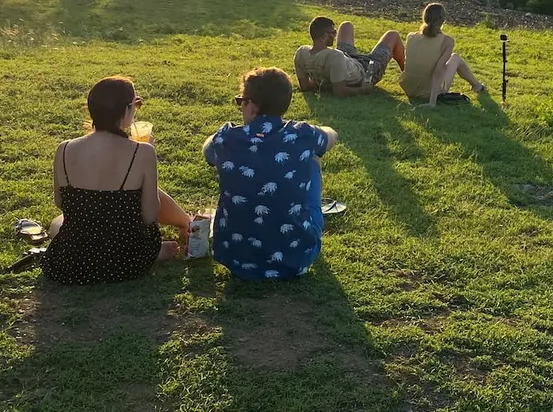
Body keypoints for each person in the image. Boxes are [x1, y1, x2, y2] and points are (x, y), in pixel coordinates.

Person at [41, 76, 193, 285]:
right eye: (136, 104)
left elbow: (60, 202)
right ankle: (172, 238)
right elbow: (149, 216)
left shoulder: (64, 148)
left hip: (70, 264)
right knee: (140, 202)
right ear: (127, 110)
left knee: (59, 222)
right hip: (127, 263)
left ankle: (164, 239)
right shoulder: (143, 152)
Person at [203, 67, 338, 281]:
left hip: (235, 258)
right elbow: (332, 135)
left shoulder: (225, 139)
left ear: (251, 105)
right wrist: (312, 131)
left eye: (241, 101)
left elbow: (207, 151)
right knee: (312, 160)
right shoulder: (301, 134)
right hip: (297, 258)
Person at [398, 2, 487, 106]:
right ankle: (477, 86)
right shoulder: (447, 41)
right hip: (428, 92)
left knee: (447, 60)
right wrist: (432, 102)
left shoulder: (411, 37)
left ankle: (476, 85)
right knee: (455, 58)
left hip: (408, 88)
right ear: (443, 20)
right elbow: (438, 71)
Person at [293, 15, 404, 96]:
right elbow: (340, 91)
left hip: (345, 60)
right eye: (333, 33)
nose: (335, 34)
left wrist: (323, 83)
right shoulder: (335, 57)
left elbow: (305, 86)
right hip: (364, 69)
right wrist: (362, 90)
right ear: (324, 36)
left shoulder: (301, 53)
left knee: (346, 25)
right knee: (392, 34)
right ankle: (407, 73)